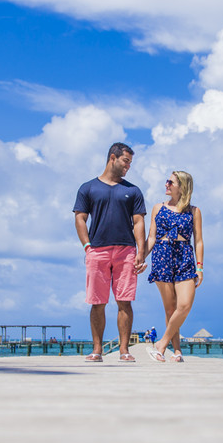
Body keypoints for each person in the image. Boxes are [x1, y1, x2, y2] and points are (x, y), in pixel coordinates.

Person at [73, 143, 147, 362]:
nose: (128, 167)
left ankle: (124, 350)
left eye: (130, 163)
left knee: (125, 301)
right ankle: (97, 350)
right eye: (126, 161)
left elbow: (138, 221)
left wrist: (140, 252)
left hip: (126, 251)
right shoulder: (88, 188)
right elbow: (80, 218)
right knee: (98, 302)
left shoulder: (132, 191)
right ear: (112, 158)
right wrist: (87, 246)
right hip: (97, 250)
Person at [145, 170, 204, 363]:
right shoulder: (157, 208)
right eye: (166, 181)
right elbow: (152, 237)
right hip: (162, 255)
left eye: (170, 182)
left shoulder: (194, 211)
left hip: (185, 256)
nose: (166, 185)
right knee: (170, 309)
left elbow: (199, 241)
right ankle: (176, 350)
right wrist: (140, 256)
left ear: (182, 187)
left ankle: (161, 344)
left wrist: (200, 267)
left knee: (184, 305)